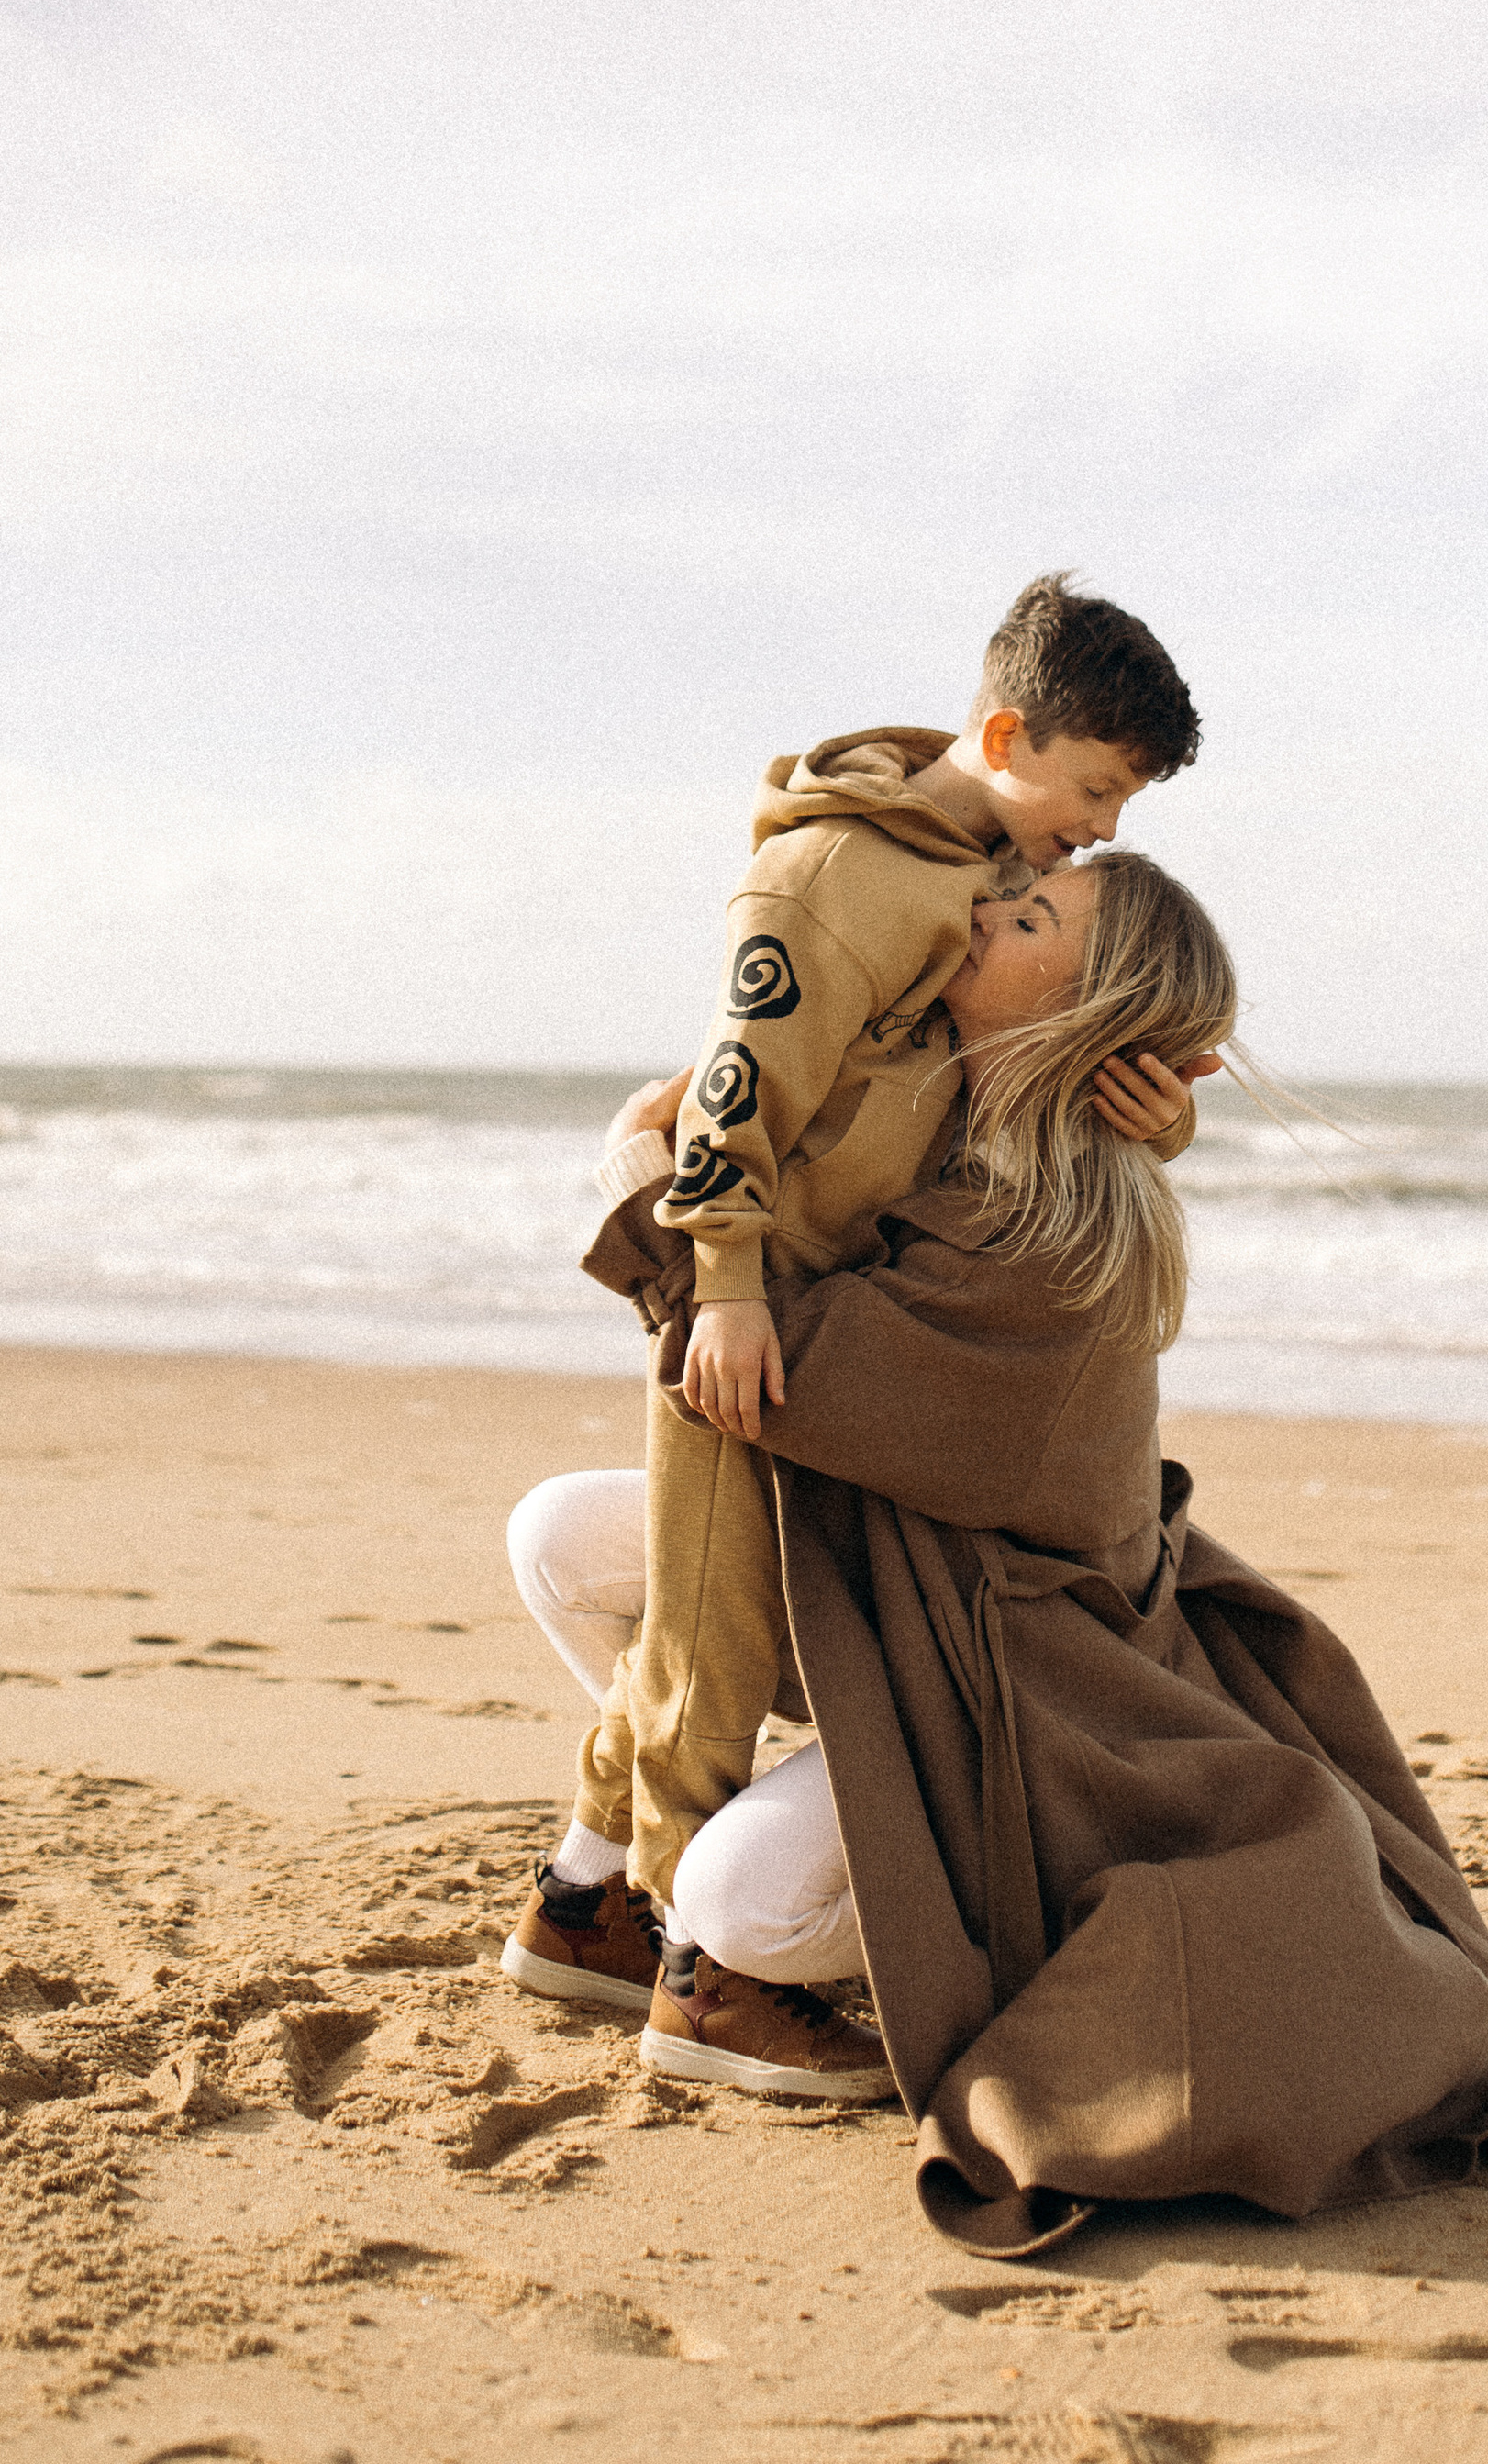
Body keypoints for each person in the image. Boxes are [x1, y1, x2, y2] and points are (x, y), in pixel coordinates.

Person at [508, 851, 1488, 2230]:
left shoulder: (1058, 1239)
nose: (984, 911)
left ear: (1081, 1013)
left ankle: (851, 1927)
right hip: (886, 1588)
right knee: (562, 1535)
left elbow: (762, 1370)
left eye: (1029, 915)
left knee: (739, 1903)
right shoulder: (935, 1099)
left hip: (1021, 1704)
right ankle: (668, 1886)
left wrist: (641, 1150)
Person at [504, 575, 1207, 2024]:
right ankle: (675, 1951)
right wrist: (720, 1281)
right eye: (1092, 792)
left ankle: (609, 1914)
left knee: (703, 1637)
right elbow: (741, 1091)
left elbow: (998, 1079)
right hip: (757, 1325)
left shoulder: (966, 870)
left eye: (1113, 815)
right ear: (1008, 733)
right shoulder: (843, 876)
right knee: (696, 1653)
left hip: (915, 1511)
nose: (1095, 837)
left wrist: (1147, 1110)